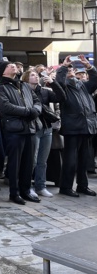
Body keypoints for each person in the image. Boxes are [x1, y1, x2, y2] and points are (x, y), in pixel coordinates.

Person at [0, 60, 42, 205]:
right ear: (3, 71)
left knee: (28, 163)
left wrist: (36, 110)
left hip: (30, 128)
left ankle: (26, 191)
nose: (13, 65)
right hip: (14, 130)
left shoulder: (24, 85)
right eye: (9, 65)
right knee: (15, 164)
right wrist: (29, 112)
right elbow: (6, 107)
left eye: (13, 64)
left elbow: (37, 101)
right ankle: (14, 193)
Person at [55, 55, 97, 197]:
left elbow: (95, 79)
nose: (71, 70)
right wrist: (63, 67)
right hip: (72, 127)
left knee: (84, 159)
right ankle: (66, 187)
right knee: (70, 160)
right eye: (69, 70)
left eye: (71, 69)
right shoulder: (64, 87)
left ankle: (82, 186)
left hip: (86, 126)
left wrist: (89, 67)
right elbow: (58, 83)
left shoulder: (82, 86)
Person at [25, 69, 64, 198]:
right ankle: (27, 187)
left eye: (36, 75)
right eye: (32, 75)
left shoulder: (45, 91)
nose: (35, 77)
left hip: (47, 128)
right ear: (26, 78)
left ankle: (40, 186)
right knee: (33, 160)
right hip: (33, 128)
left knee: (43, 160)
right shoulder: (23, 92)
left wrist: (53, 83)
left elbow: (61, 97)